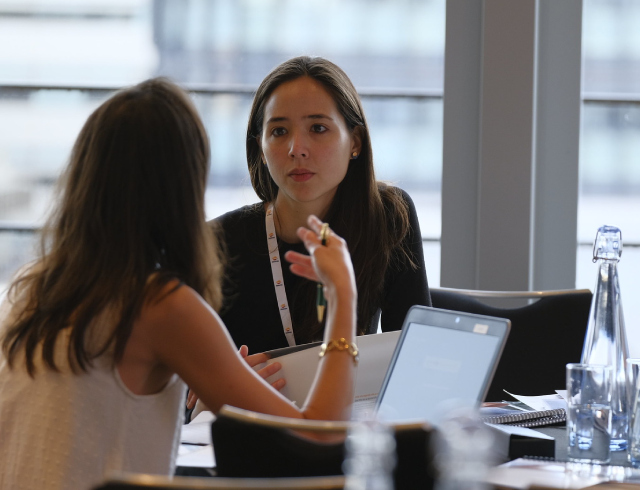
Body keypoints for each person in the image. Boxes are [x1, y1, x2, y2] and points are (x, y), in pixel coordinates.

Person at [0, 78, 359, 490]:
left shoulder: (31, 287)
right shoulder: (159, 305)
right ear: (183, 188)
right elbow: (321, 437)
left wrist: (217, 389)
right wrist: (343, 293)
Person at [215, 56, 431, 353]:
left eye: (317, 128)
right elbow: (185, 382)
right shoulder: (219, 241)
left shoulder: (388, 216)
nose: (296, 150)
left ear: (355, 142)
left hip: (352, 400)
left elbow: (415, 355)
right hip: (245, 402)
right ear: (260, 150)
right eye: (279, 131)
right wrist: (225, 380)